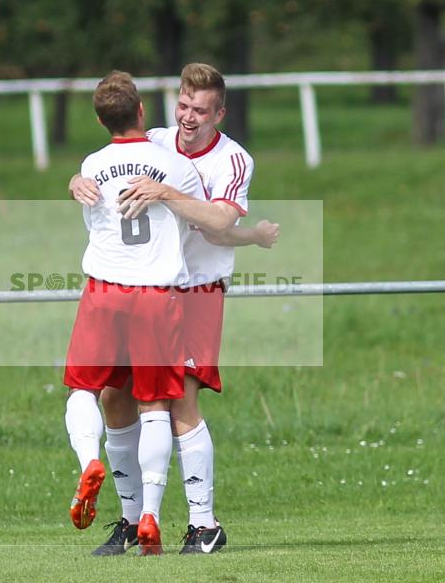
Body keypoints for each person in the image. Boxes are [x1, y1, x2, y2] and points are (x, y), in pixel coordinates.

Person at [69, 63, 279, 555]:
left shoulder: (233, 159)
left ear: (219, 113)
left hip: (196, 291)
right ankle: (129, 520)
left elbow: (221, 221)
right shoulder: (158, 140)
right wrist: (77, 178)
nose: (188, 117)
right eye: (183, 105)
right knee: (114, 400)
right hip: (143, 290)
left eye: (200, 111)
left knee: (179, 400)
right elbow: (109, 165)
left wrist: (169, 194)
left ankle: (205, 525)